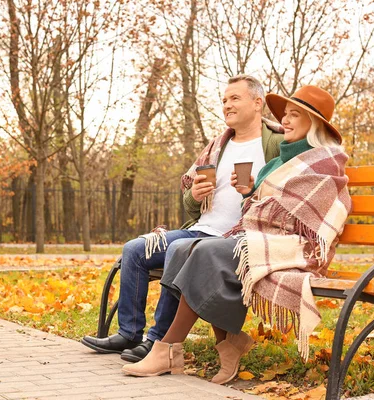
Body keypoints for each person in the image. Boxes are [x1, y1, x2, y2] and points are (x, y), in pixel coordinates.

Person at [121, 85, 352, 385]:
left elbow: (312, 214)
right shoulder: (279, 162)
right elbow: (264, 207)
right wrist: (251, 193)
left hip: (295, 247)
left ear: (315, 122)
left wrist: (261, 203)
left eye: (295, 115)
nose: (286, 120)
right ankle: (228, 343)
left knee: (202, 250)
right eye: (286, 115)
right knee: (183, 249)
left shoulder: (325, 160)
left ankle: (168, 348)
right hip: (255, 237)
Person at [81, 75, 284, 362]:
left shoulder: (276, 144)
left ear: (257, 102)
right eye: (224, 100)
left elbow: (287, 196)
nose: (227, 105)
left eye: (234, 98)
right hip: (201, 230)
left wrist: (255, 190)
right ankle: (128, 333)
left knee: (178, 251)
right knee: (135, 249)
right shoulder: (217, 147)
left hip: (238, 239)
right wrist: (196, 196)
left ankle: (158, 342)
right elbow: (190, 206)